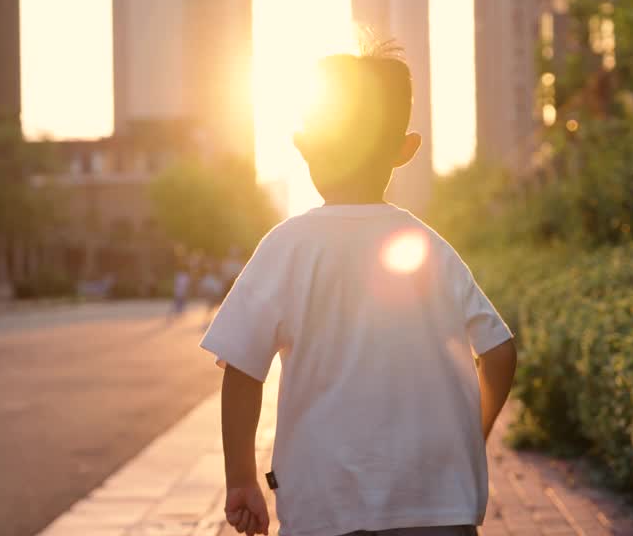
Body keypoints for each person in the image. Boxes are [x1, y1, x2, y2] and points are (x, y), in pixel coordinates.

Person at [200, 44, 518, 536]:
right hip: (438, 507)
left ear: (304, 144)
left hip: (325, 509)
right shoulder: (429, 248)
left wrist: (242, 477)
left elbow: (242, 368)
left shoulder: (287, 247)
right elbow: (498, 352)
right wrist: (469, 439)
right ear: (405, 149)